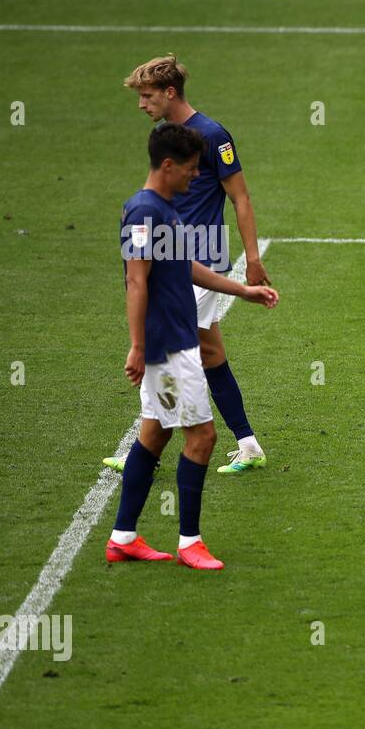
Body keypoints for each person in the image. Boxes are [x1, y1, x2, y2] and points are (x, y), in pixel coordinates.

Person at [106, 124, 278, 570]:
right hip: (168, 346)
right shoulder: (144, 212)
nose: (195, 177)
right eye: (188, 169)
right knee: (202, 437)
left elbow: (187, 267)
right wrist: (139, 346)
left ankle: (123, 536)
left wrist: (243, 291)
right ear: (167, 165)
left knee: (156, 434)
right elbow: (137, 281)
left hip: (173, 340)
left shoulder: (161, 207)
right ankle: (189, 542)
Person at [107, 54, 274, 472]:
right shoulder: (168, 135)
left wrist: (251, 260)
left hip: (202, 260)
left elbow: (241, 197)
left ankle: (146, 449)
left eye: (147, 96)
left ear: (169, 93)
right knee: (209, 350)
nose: (141, 104)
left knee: (167, 347)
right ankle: (248, 443)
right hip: (174, 257)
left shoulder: (213, 135)